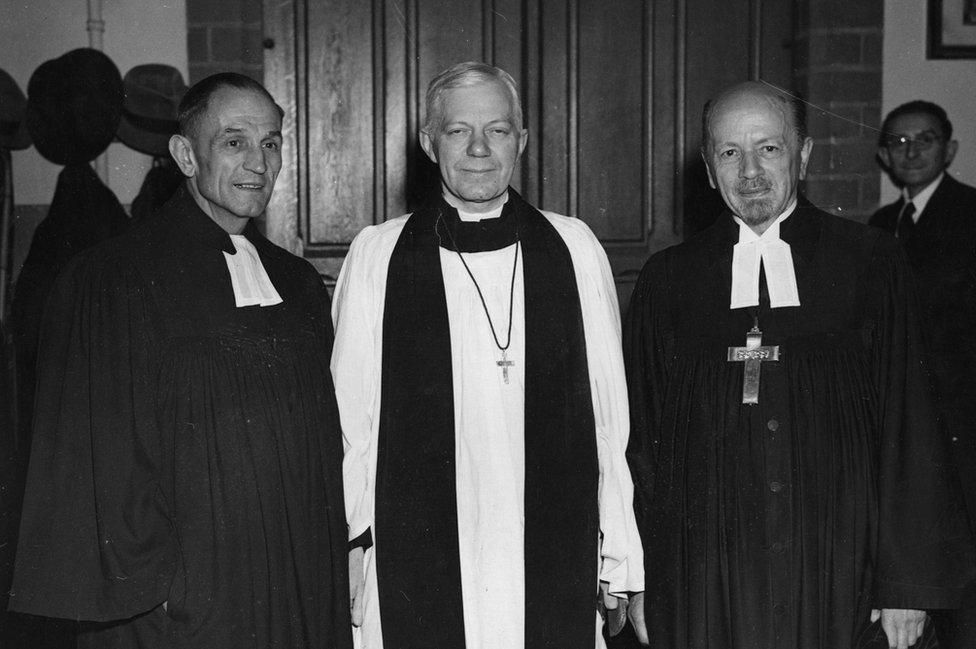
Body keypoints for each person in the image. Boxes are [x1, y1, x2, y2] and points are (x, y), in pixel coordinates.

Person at [624, 81, 974, 649]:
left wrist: (907, 584)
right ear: (709, 169)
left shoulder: (871, 262)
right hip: (708, 574)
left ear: (803, 155)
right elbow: (639, 441)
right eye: (730, 153)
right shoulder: (669, 279)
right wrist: (635, 579)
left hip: (842, 565)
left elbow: (911, 424)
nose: (751, 172)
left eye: (769, 148)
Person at [9, 72, 352, 649]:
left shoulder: (296, 284)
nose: (258, 162)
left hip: (296, 588)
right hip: (186, 603)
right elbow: (96, 461)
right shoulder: (113, 279)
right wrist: (161, 590)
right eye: (235, 141)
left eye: (271, 143)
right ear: (185, 155)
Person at [331, 61, 644, 649]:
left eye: (498, 130)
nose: (479, 148)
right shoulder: (379, 253)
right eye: (457, 131)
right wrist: (352, 540)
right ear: (428, 143)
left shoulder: (572, 246)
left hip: (551, 540)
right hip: (417, 545)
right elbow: (352, 423)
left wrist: (619, 554)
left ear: (521, 141)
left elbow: (608, 416)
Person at [871, 100, 976, 649]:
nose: (910, 151)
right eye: (899, 142)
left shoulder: (970, 214)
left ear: (950, 149)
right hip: (911, 419)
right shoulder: (881, 226)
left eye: (925, 140)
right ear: (884, 154)